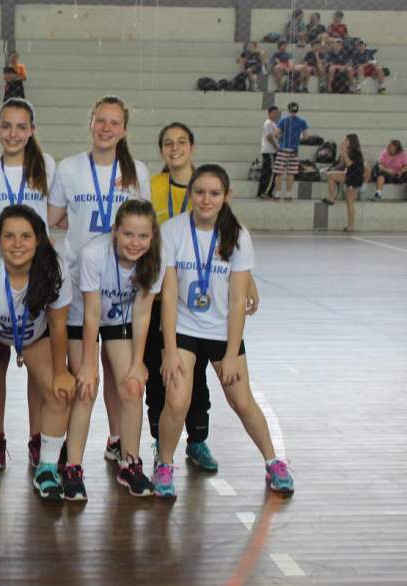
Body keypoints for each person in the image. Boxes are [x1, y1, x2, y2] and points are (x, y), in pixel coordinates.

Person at [155, 164, 294, 498]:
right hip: (184, 329)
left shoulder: (237, 235)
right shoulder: (173, 231)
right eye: (200, 192)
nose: (206, 199)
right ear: (190, 193)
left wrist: (231, 355)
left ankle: (274, 462)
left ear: (226, 196)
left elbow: (236, 299)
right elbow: (170, 295)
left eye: (214, 193)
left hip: (221, 332)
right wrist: (170, 349)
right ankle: (164, 464)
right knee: (176, 401)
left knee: (242, 402)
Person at [145, 123, 260, 477]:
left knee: (198, 383)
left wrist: (248, 279)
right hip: (164, 290)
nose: (175, 148)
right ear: (161, 150)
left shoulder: (207, 183)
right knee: (163, 375)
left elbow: (228, 242)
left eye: (181, 142)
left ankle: (197, 440)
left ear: (192, 147)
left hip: (205, 295)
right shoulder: (153, 186)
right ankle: (160, 445)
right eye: (168, 143)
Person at [48, 95, 151, 477]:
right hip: (80, 285)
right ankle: (69, 456)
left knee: (121, 375)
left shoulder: (136, 170)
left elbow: (144, 225)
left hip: (123, 290)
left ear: (124, 129)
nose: (106, 128)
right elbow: (54, 216)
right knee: (85, 380)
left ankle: (121, 444)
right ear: (90, 122)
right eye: (100, 121)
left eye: (114, 123)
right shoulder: (70, 167)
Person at [0, 205, 75, 502]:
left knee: (60, 392)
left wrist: (61, 373)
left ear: (38, 239)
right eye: (9, 237)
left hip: (34, 334)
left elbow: (58, 326)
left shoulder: (54, 268)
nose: (17, 244)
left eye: (25, 237)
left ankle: (46, 468)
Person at [0, 97, 56, 469]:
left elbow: (56, 217)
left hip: (34, 275)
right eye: (6, 126)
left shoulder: (47, 168)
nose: (13, 133)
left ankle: (37, 436)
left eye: (21, 127)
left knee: (36, 360)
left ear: (32, 131)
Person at [71, 200, 162, 500]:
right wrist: (88, 363)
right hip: (81, 317)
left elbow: (142, 313)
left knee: (134, 386)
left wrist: (138, 363)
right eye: (128, 235)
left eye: (142, 237)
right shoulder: (93, 255)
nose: (135, 243)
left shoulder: (155, 260)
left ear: (152, 237)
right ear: (115, 232)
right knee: (86, 388)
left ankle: (130, 462)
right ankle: (73, 468)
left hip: (120, 319)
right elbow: (91, 313)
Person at [323, 134, 365, 233]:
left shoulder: (356, 153)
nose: (345, 141)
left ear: (352, 142)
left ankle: (351, 226)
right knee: (330, 175)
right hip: (349, 175)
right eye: (345, 140)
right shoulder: (349, 151)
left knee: (350, 202)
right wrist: (343, 151)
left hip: (355, 179)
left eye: (347, 140)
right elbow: (343, 163)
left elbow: (350, 164)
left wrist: (343, 151)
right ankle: (332, 198)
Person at [272, 102, 308, 201]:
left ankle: (278, 193)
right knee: (290, 173)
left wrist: (281, 138)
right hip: (294, 150)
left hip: (283, 149)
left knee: (279, 173)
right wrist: (297, 139)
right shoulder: (302, 122)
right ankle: (288, 194)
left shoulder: (284, 120)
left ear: (288, 110)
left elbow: (276, 134)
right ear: (297, 110)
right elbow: (306, 136)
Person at [257, 106, 279, 199]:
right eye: (274, 113)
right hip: (270, 151)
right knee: (271, 172)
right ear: (269, 113)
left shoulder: (273, 124)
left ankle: (263, 192)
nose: (275, 115)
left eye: (276, 113)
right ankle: (265, 192)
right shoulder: (268, 124)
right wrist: (276, 148)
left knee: (267, 172)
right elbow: (269, 137)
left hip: (270, 151)